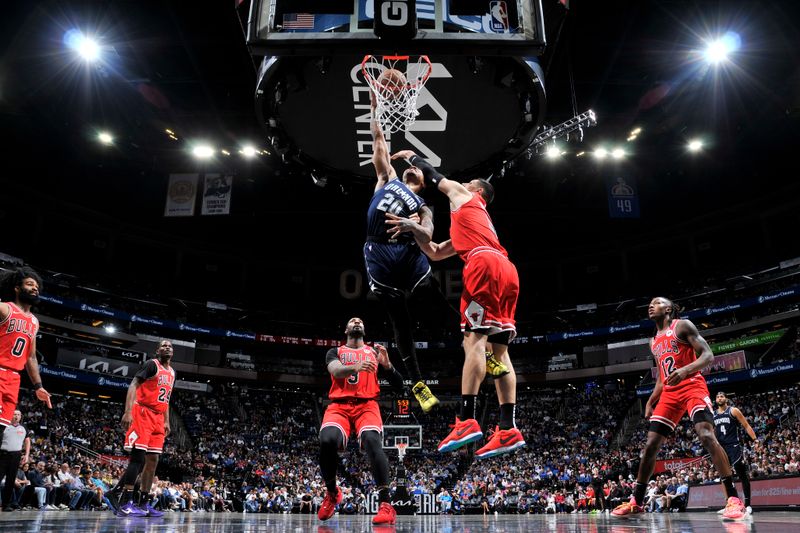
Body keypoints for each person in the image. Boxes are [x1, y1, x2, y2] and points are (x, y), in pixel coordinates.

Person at [387, 150, 524, 459]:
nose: (460, 183)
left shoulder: (467, 198)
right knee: (498, 352)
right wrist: (413, 231)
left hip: (482, 266)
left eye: (467, 182)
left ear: (477, 191)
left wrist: (414, 158)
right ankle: (507, 426)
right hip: (506, 269)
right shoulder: (474, 224)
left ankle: (466, 419)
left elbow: (435, 179)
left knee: (472, 342)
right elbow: (435, 252)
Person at [365, 97, 468, 413]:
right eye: (410, 166)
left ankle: (481, 349)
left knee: (440, 308)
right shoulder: (387, 179)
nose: (411, 169)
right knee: (401, 323)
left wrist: (411, 224)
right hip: (379, 254)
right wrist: (374, 107)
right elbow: (379, 142)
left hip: (410, 257)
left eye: (417, 170)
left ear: (423, 183)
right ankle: (418, 384)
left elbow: (429, 237)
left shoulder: (424, 206)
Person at [611, 297, 745, 520]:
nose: (650, 306)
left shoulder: (682, 326)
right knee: (650, 445)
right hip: (669, 394)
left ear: (669, 309)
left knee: (705, 434)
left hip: (692, 385)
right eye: (649, 304)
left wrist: (686, 370)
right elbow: (662, 379)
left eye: (656, 302)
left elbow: (708, 355)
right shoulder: (653, 341)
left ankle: (732, 498)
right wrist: (652, 400)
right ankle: (636, 501)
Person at [317, 317, 404, 525]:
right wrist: (357, 366)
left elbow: (399, 386)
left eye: (360, 321)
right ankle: (332, 493)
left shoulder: (374, 352)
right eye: (352, 321)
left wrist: (388, 366)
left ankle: (385, 505)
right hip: (339, 405)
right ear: (346, 329)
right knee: (327, 440)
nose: (357, 322)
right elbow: (337, 371)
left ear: (364, 329)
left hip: (367, 404)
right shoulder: (335, 352)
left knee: (373, 441)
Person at [116, 339, 176, 517]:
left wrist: (167, 420)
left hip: (158, 417)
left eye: (170, 346)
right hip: (142, 412)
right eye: (164, 346)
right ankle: (124, 502)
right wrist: (128, 411)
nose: (167, 347)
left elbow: (166, 399)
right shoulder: (151, 365)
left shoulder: (172, 372)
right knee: (138, 459)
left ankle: (143, 503)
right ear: (157, 351)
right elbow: (134, 384)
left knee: (153, 461)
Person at [0, 267, 52, 428]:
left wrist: (38, 386)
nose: (35, 288)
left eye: (37, 286)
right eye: (30, 284)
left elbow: (31, 357)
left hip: (14, 379)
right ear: (17, 288)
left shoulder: (34, 322)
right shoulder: (4, 308)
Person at [714, 391, 757, 515]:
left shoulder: (733, 411)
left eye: (722, 396)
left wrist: (755, 439)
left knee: (742, 473)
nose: (719, 398)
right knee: (724, 477)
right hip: (721, 448)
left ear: (726, 399)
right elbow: (713, 433)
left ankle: (748, 505)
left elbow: (746, 425)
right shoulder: (713, 415)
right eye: (717, 397)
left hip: (734, 446)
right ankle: (730, 504)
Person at [0, 410, 29, 511]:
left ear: (20, 416)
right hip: (2, 454)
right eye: (14, 414)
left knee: (10, 481)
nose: (16, 416)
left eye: (18, 414)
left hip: (16, 455)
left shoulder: (24, 427)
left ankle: (6, 505)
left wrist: (27, 454)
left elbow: (27, 440)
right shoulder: (4, 425)